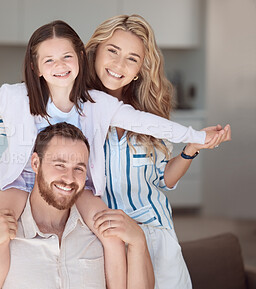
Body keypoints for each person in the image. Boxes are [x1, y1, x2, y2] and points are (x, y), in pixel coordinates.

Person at [0, 20, 223, 289]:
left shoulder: (98, 106)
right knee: (1, 234)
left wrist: (194, 136)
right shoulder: (17, 98)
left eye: (67, 57)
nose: (59, 65)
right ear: (36, 66)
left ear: (79, 59)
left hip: (79, 187)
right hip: (20, 183)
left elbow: (146, 122)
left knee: (111, 235)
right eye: (49, 59)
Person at [82, 14, 231, 289]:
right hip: (99, 238)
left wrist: (192, 148)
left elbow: (164, 180)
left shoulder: (149, 116)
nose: (119, 65)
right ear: (95, 53)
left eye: (132, 58)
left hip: (154, 235)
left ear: (139, 69)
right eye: (112, 51)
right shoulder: (74, 112)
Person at [0, 122, 155, 289]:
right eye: (59, 165)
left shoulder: (99, 233)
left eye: (78, 168)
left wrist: (138, 240)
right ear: (36, 163)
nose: (68, 178)